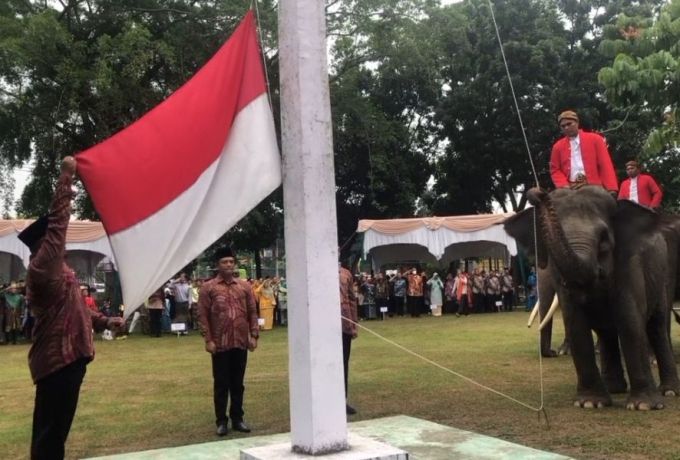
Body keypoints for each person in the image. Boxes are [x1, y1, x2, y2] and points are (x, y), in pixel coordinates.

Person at [21, 156, 125, 460]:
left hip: (70, 359)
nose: (62, 242)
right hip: (57, 362)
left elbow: (76, 309)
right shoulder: (43, 266)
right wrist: (66, 176)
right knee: (50, 434)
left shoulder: (59, 270)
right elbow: (58, 224)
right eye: (55, 239)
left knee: (56, 432)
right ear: (45, 243)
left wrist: (105, 321)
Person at [197, 246, 259, 437]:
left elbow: (252, 311)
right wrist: (208, 339)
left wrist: (254, 335)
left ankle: (238, 418)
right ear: (218, 265)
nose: (229, 265)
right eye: (225, 262)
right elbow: (202, 315)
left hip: (240, 341)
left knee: (238, 383)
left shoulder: (244, 286)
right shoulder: (209, 288)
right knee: (221, 383)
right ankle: (221, 421)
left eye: (231, 261)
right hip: (220, 343)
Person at [549, 110, 618, 194]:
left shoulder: (596, 139)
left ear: (577, 122)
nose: (566, 128)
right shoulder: (557, 146)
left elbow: (605, 164)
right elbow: (555, 169)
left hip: (594, 186)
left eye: (569, 124)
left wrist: (611, 188)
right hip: (570, 189)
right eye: (563, 126)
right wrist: (564, 185)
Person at [339, 264, 359, 415]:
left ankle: (342, 400)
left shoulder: (345, 274)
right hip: (323, 327)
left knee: (343, 363)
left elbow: (352, 300)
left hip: (344, 325)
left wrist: (353, 324)